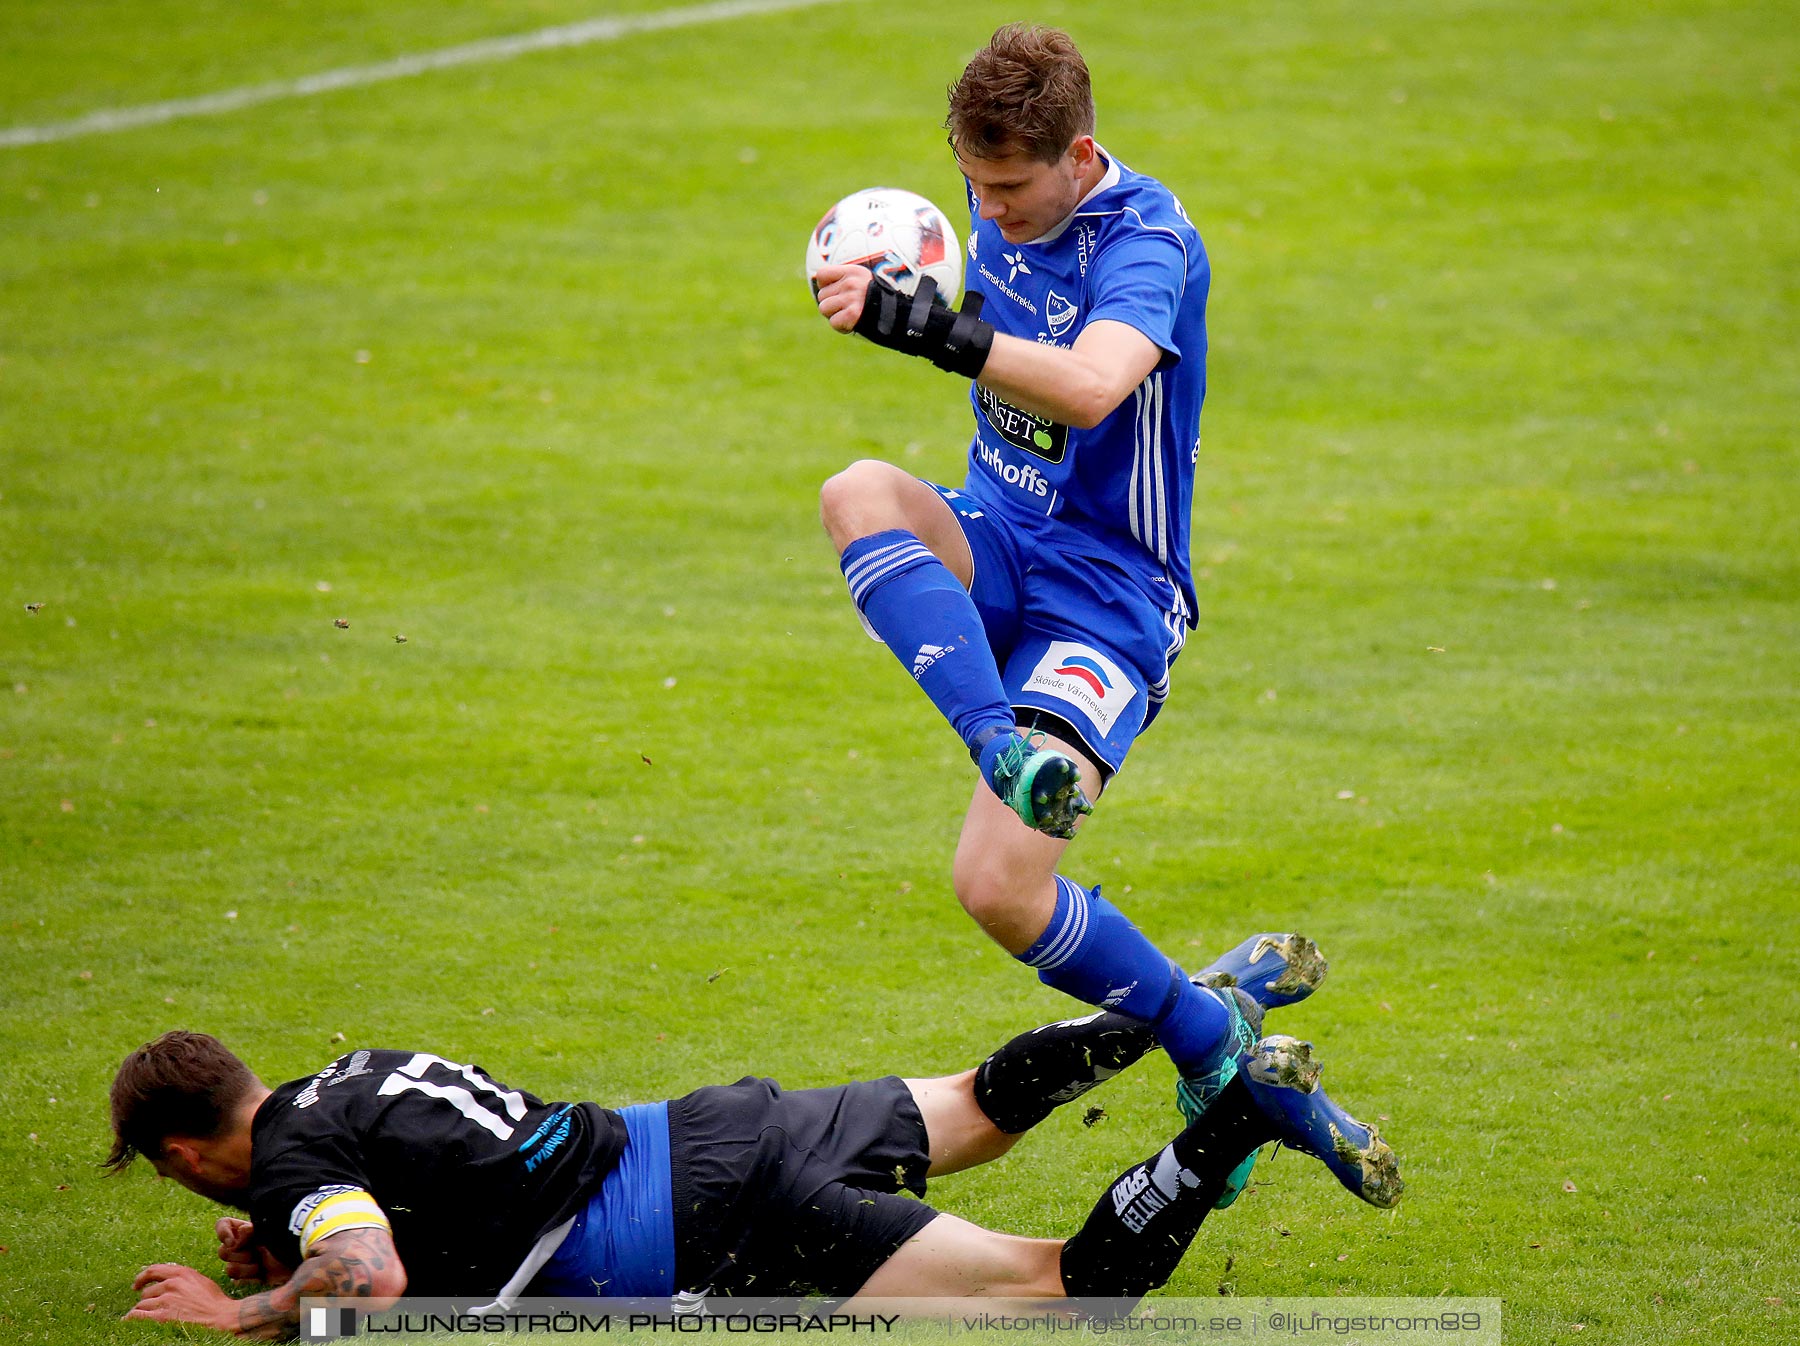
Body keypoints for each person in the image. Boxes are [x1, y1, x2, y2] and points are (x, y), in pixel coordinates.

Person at [111, 934, 1399, 1336]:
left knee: (1059, 1286)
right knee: (983, 1105)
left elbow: (374, 1280)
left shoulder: (295, 1161)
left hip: (717, 1218)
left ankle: (1242, 1106)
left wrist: (248, 1313)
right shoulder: (343, 1083)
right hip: (708, 1129)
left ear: (182, 1148)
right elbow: (415, 1204)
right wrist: (287, 1250)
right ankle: (1200, 1003)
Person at [810, 26, 1236, 1143]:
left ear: (1080, 155)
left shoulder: (1148, 241)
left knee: (997, 887)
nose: (988, 209)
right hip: (995, 538)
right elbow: (948, 258)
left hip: (1109, 592)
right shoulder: (980, 188)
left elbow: (1095, 387)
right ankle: (1001, 743)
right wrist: (873, 273)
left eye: (1010, 188)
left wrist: (933, 331)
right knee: (857, 490)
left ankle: (1206, 1037)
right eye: (974, 179)